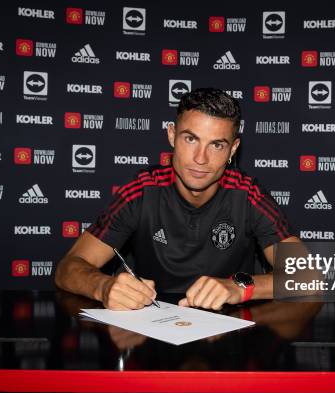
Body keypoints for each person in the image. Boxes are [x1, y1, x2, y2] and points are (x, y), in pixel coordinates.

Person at [55, 88, 300, 311]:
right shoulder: (142, 189)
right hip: (151, 330)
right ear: (172, 136)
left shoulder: (247, 194)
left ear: (233, 150)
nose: (200, 158)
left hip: (228, 336)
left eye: (216, 145)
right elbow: (67, 268)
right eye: (190, 139)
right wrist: (103, 286)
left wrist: (239, 287)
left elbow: (309, 276)